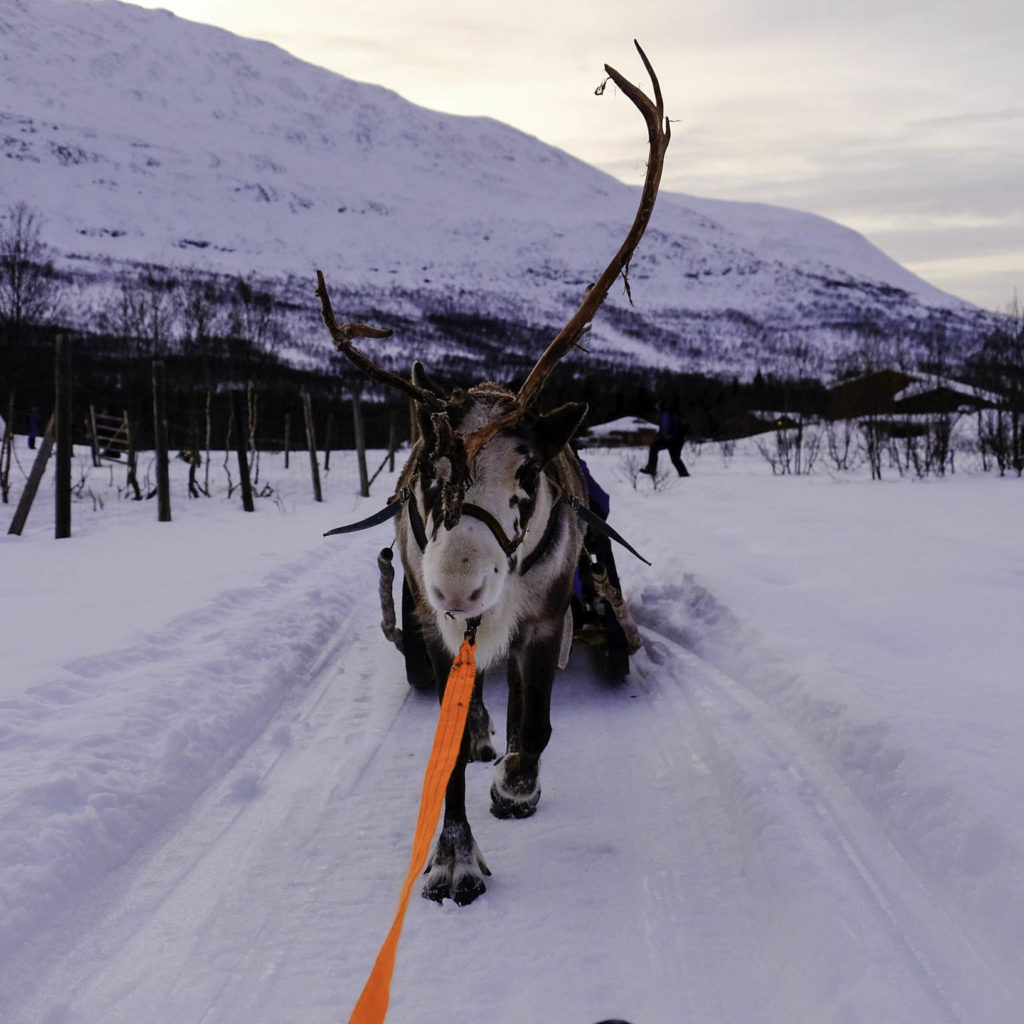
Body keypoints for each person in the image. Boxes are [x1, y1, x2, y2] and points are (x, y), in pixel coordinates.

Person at [641, 400, 689, 477]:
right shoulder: (665, 414)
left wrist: (678, 435)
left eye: (657, 407)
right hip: (669, 438)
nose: (657, 409)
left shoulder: (671, 413)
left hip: (675, 439)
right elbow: (664, 427)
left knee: (675, 458)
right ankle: (651, 469)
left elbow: (683, 426)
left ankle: (684, 474)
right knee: (654, 448)